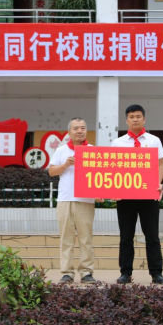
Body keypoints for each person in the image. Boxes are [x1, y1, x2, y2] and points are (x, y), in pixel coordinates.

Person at [111, 104, 163, 285]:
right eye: (131, 117)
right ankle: (125, 273)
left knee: (152, 236)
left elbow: (160, 165)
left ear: (144, 119)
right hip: (125, 197)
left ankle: (156, 273)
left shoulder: (154, 140)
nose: (135, 119)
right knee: (126, 236)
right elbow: (112, 169)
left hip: (149, 195)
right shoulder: (118, 143)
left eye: (138, 116)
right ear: (126, 120)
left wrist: (158, 184)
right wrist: (113, 190)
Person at [48, 117, 97, 284]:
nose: (79, 131)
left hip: (86, 200)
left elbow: (99, 175)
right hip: (65, 199)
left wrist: (100, 192)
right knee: (66, 238)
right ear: (69, 132)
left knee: (86, 238)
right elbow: (52, 172)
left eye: (83, 128)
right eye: (76, 128)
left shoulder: (93, 150)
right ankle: (67, 272)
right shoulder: (61, 151)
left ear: (86, 131)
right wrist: (65, 165)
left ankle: (86, 272)